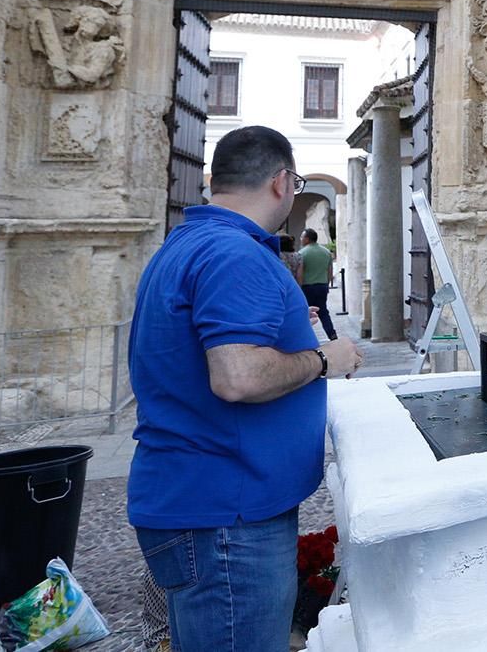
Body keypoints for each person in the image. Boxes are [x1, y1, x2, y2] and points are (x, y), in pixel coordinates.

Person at [129, 126, 362, 651]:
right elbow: (238, 377)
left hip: (207, 502)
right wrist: (326, 357)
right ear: (282, 182)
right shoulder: (236, 255)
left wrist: (283, 327)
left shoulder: (191, 242)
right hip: (229, 519)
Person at [300, 227, 337, 342]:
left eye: (302, 237)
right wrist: (328, 284)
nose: (301, 239)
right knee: (323, 312)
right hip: (322, 285)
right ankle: (332, 334)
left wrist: (299, 287)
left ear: (307, 239)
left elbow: (300, 273)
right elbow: (330, 271)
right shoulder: (326, 252)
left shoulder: (302, 253)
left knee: (306, 313)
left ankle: (306, 338)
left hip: (307, 287)